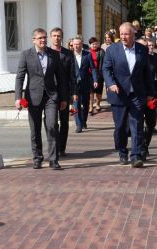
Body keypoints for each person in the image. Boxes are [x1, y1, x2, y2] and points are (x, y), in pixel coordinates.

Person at [15, 28, 69, 170]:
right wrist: (18, 97)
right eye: (40, 38)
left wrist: (63, 98)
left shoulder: (54, 55)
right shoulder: (26, 55)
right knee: (35, 129)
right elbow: (20, 77)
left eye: (44, 38)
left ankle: (53, 159)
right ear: (34, 40)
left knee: (52, 126)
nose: (43, 40)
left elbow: (62, 78)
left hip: (51, 96)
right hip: (33, 97)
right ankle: (38, 158)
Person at [102, 22, 154, 168]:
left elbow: (147, 72)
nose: (124, 37)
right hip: (119, 93)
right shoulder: (112, 50)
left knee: (137, 125)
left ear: (133, 34)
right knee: (120, 127)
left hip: (137, 93)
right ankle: (122, 151)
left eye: (127, 34)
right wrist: (111, 83)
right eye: (122, 34)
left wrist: (150, 92)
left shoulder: (142, 50)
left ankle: (136, 155)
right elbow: (106, 69)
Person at [49, 27, 76, 157]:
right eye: (54, 35)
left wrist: (73, 93)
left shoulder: (68, 54)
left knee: (64, 122)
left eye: (59, 35)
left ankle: (62, 148)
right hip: (49, 93)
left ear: (62, 37)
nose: (56, 38)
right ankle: (53, 146)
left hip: (64, 92)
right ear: (50, 37)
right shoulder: (46, 53)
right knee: (52, 122)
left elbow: (73, 75)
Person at [141, 38, 157, 159]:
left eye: (150, 45)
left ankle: (145, 145)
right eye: (146, 46)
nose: (148, 48)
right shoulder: (134, 57)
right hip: (138, 96)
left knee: (151, 123)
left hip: (152, 94)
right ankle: (140, 147)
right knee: (137, 123)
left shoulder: (154, 58)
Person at [71, 37, 98, 132]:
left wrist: (95, 80)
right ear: (72, 45)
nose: (76, 46)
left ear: (82, 45)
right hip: (74, 85)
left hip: (85, 83)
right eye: (74, 44)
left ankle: (84, 120)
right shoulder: (70, 55)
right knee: (76, 104)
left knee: (85, 104)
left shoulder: (88, 55)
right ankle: (78, 125)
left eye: (78, 44)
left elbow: (93, 68)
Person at [88, 37, 105, 114]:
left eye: (96, 44)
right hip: (89, 74)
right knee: (90, 91)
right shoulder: (87, 52)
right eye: (93, 44)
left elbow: (104, 62)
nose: (94, 45)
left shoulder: (101, 51)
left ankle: (98, 104)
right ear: (90, 45)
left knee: (98, 91)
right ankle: (91, 106)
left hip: (99, 74)